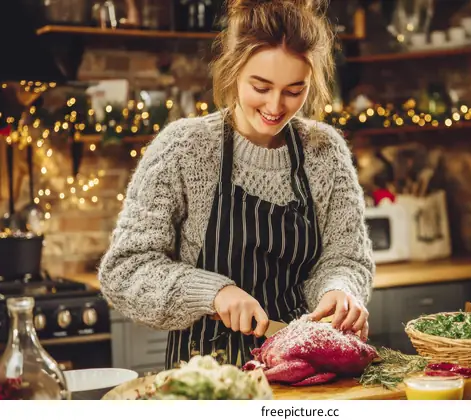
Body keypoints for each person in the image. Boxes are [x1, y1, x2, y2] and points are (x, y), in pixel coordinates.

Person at [98, 0, 374, 369]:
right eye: (260, 86)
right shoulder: (183, 149)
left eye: (294, 90)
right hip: (206, 375)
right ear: (233, 70)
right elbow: (125, 270)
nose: (276, 106)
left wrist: (339, 290)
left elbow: (346, 257)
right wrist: (213, 293)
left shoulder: (325, 152)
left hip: (303, 370)